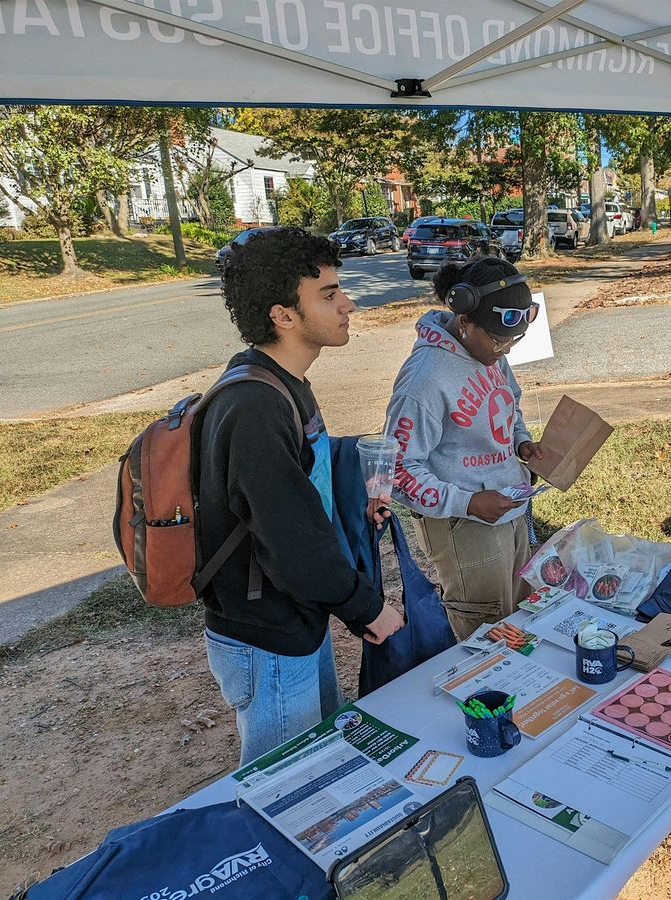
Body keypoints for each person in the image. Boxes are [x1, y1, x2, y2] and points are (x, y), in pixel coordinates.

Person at [201, 227, 403, 765]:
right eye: (330, 295)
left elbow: (300, 478)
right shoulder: (254, 405)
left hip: (295, 618)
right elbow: (292, 540)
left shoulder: (284, 382)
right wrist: (367, 608)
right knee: (283, 785)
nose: (349, 304)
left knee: (318, 763)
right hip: (266, 634)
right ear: (284, 315)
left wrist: (356, 490)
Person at [384, 256, 541, 639]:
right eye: (499, 339)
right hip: (463, 524)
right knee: (486, 632)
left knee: (520, 613)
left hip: (508, 507)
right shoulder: (426, 377)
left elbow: (510, 405)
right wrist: (468, 503)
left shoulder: (488, 352)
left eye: (514, 341)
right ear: (464, 321)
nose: (505, 350)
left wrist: (520, 443)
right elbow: (398, 469)